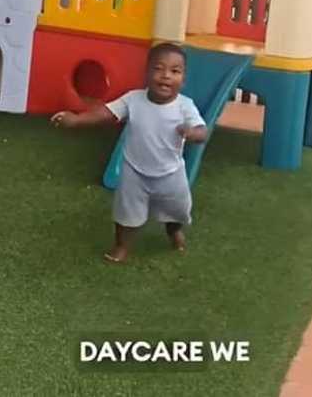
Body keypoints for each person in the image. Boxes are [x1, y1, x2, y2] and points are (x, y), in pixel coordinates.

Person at [51, 42, 208, 263]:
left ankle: (173, 230)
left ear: (183, 79)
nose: (165, 76)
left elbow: (202, 132)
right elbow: (106, 113)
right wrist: (77, 120)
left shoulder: (185, 106)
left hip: (170, 172)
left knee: (177, 210)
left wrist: (193, 133)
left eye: (174, 71)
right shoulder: (133, 99)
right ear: (146, 73)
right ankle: (122, 246)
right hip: (135, 170)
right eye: (158, 69)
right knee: (125, 213)